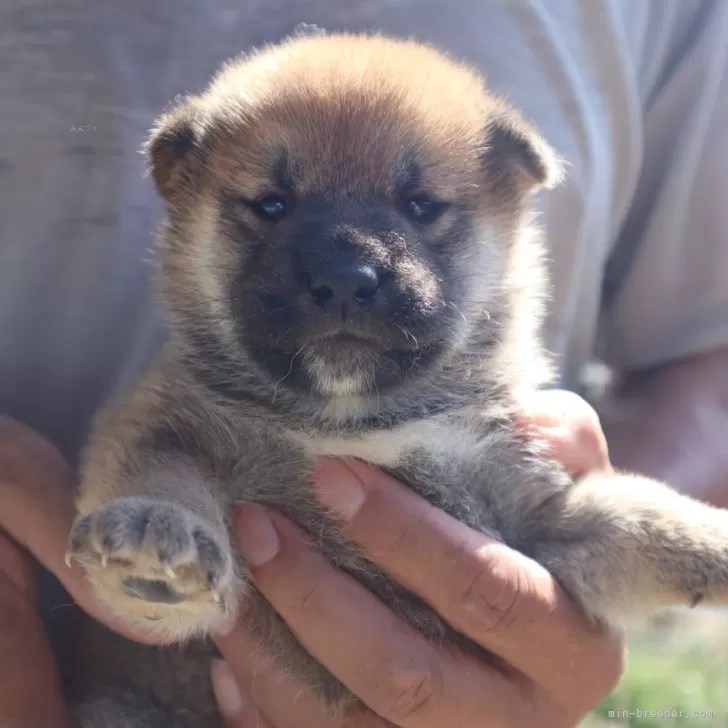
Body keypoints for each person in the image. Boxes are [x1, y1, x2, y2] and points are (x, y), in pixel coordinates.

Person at [0, 0, 727, 724]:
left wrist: (666, 574)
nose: (348, 271)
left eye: (421, 206)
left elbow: (584, 526)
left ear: (512, 194)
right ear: (180, 187)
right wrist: (161, 530)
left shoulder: (505, 420)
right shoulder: (194, 405)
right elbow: (155, 463)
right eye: (272, 207)